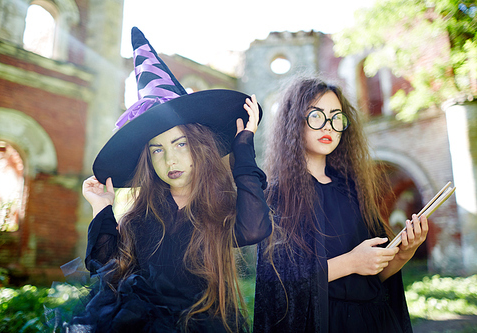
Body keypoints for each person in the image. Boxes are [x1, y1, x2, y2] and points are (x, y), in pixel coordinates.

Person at [65, 27, 272, 333]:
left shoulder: (217, 209)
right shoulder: (140, 216)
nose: (169, 160)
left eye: (180, 144)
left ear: (200, 148)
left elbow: (255, 228)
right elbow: (102, 266)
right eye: (157, 149)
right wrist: (102, 208)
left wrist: (242, 148)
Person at [253, 76, 428, 333]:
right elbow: (280, 285)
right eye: (316, 116)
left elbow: (375, 276)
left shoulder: (354, 190)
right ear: (294, 122)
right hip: (321, 324)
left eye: (336, 117)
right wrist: (351, 262)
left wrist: (404, 252)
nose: (329, 126)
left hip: (374, 322)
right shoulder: (277, 196)